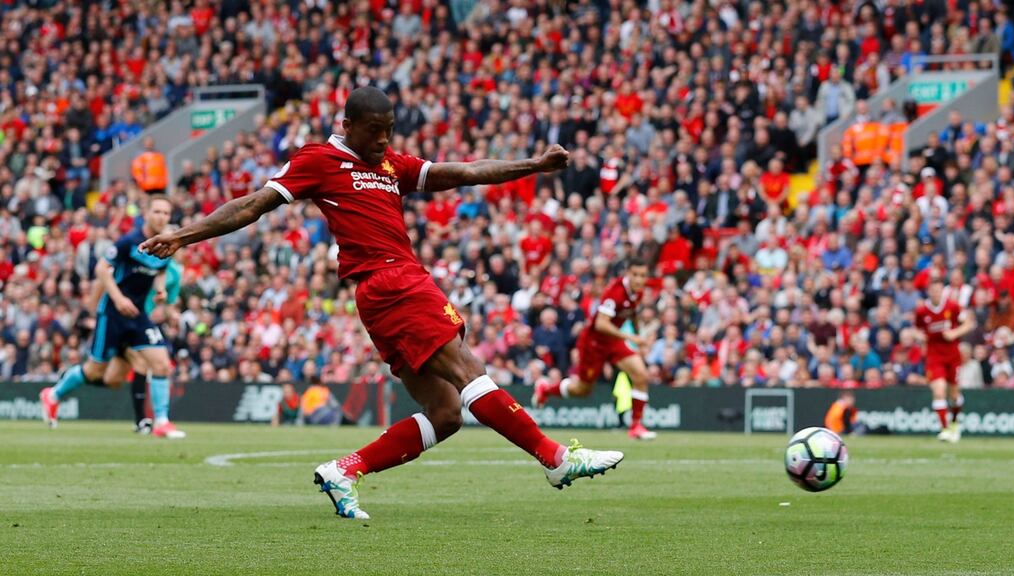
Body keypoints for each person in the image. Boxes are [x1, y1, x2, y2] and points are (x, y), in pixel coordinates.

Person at [140, 86, 623, 519]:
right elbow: (251, 204)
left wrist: (533, 165)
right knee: (468, 369)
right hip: (392, 283)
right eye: (374, 130)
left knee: (446, 413)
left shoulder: (391, 164)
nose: (383, 139)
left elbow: (464, 172)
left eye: (388, 130)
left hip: (389, 289)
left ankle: (343, 471)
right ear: (347, 125)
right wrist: (183, 235)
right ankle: (555, 458)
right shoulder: (319, 160)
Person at [40, 196, 185, 439]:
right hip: (112, 314)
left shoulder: (165, 246)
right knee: (95, 371)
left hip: (138, 315)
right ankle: (53, 395)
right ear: (146, 214)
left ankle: (161, 422)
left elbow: (159, 272)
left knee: (161, 363)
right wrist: (118, 299)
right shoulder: (129, 241)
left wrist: (160, 289)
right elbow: (101, 268)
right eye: (157, 211)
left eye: (166, 213)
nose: (161, 217)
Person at [531, 257, 658, 440]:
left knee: (641, 375)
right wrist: (631, 338)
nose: (639, 279)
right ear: (627, 273)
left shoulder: (637, 292)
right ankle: (546, 389)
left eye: (643, 275)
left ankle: (636, 426)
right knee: (582, 390)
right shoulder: (615, 292)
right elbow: (601, 324)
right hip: (594, 343)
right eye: (635, 274)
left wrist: (639, 337)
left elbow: (631, 313)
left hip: (613, 341)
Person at [914, 277, 975, 442]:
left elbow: (969, 323)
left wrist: (954, 333)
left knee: (954, 395)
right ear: (928, 291)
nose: (936, 293)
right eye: (933, 290)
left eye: (939, 290)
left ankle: (954, 423)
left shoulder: (952, 306)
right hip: (934, 357)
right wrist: (919, 336)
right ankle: (944, 429)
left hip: (952, 356)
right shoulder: (922, 311)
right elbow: (917, 329)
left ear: (943, 291)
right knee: (939, 391)